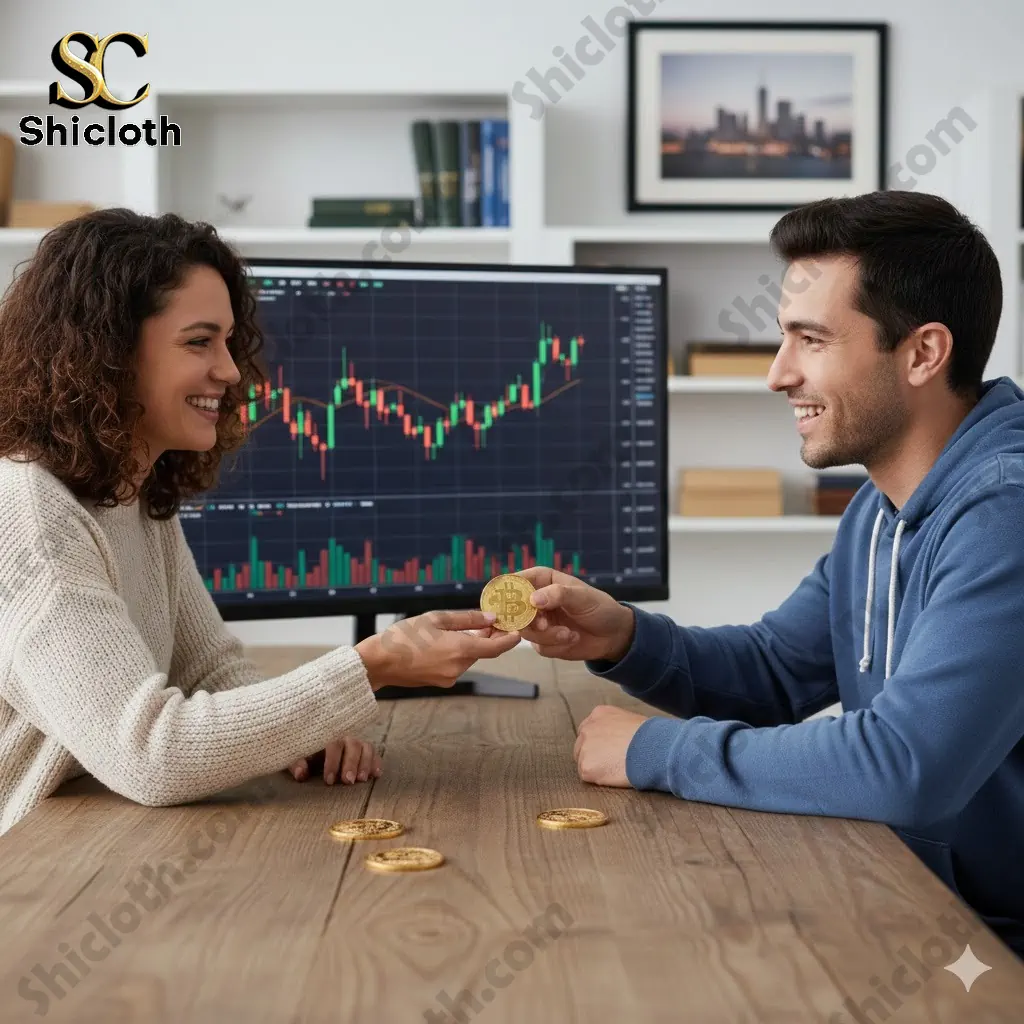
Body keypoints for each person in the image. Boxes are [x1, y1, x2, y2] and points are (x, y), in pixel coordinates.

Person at [517, 190, 1024, 959]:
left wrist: (656, 752)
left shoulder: (1004, 515)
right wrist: (623, 636)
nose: (776, 375)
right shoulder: (881, 507)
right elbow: (776, 671)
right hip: (911, 900)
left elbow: (904, 767)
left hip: (988, 948)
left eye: (810, 340)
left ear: (923, 353)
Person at [0, 208, 520, 835]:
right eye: (199, 341)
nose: (229, 370)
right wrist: (372, 666)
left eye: (227, 340)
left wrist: (302, 732)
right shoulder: (31, 519)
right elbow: (153, 756)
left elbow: (211, 670)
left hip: (97, 833)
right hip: (30, 878)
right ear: (105, 353)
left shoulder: (128, 486)